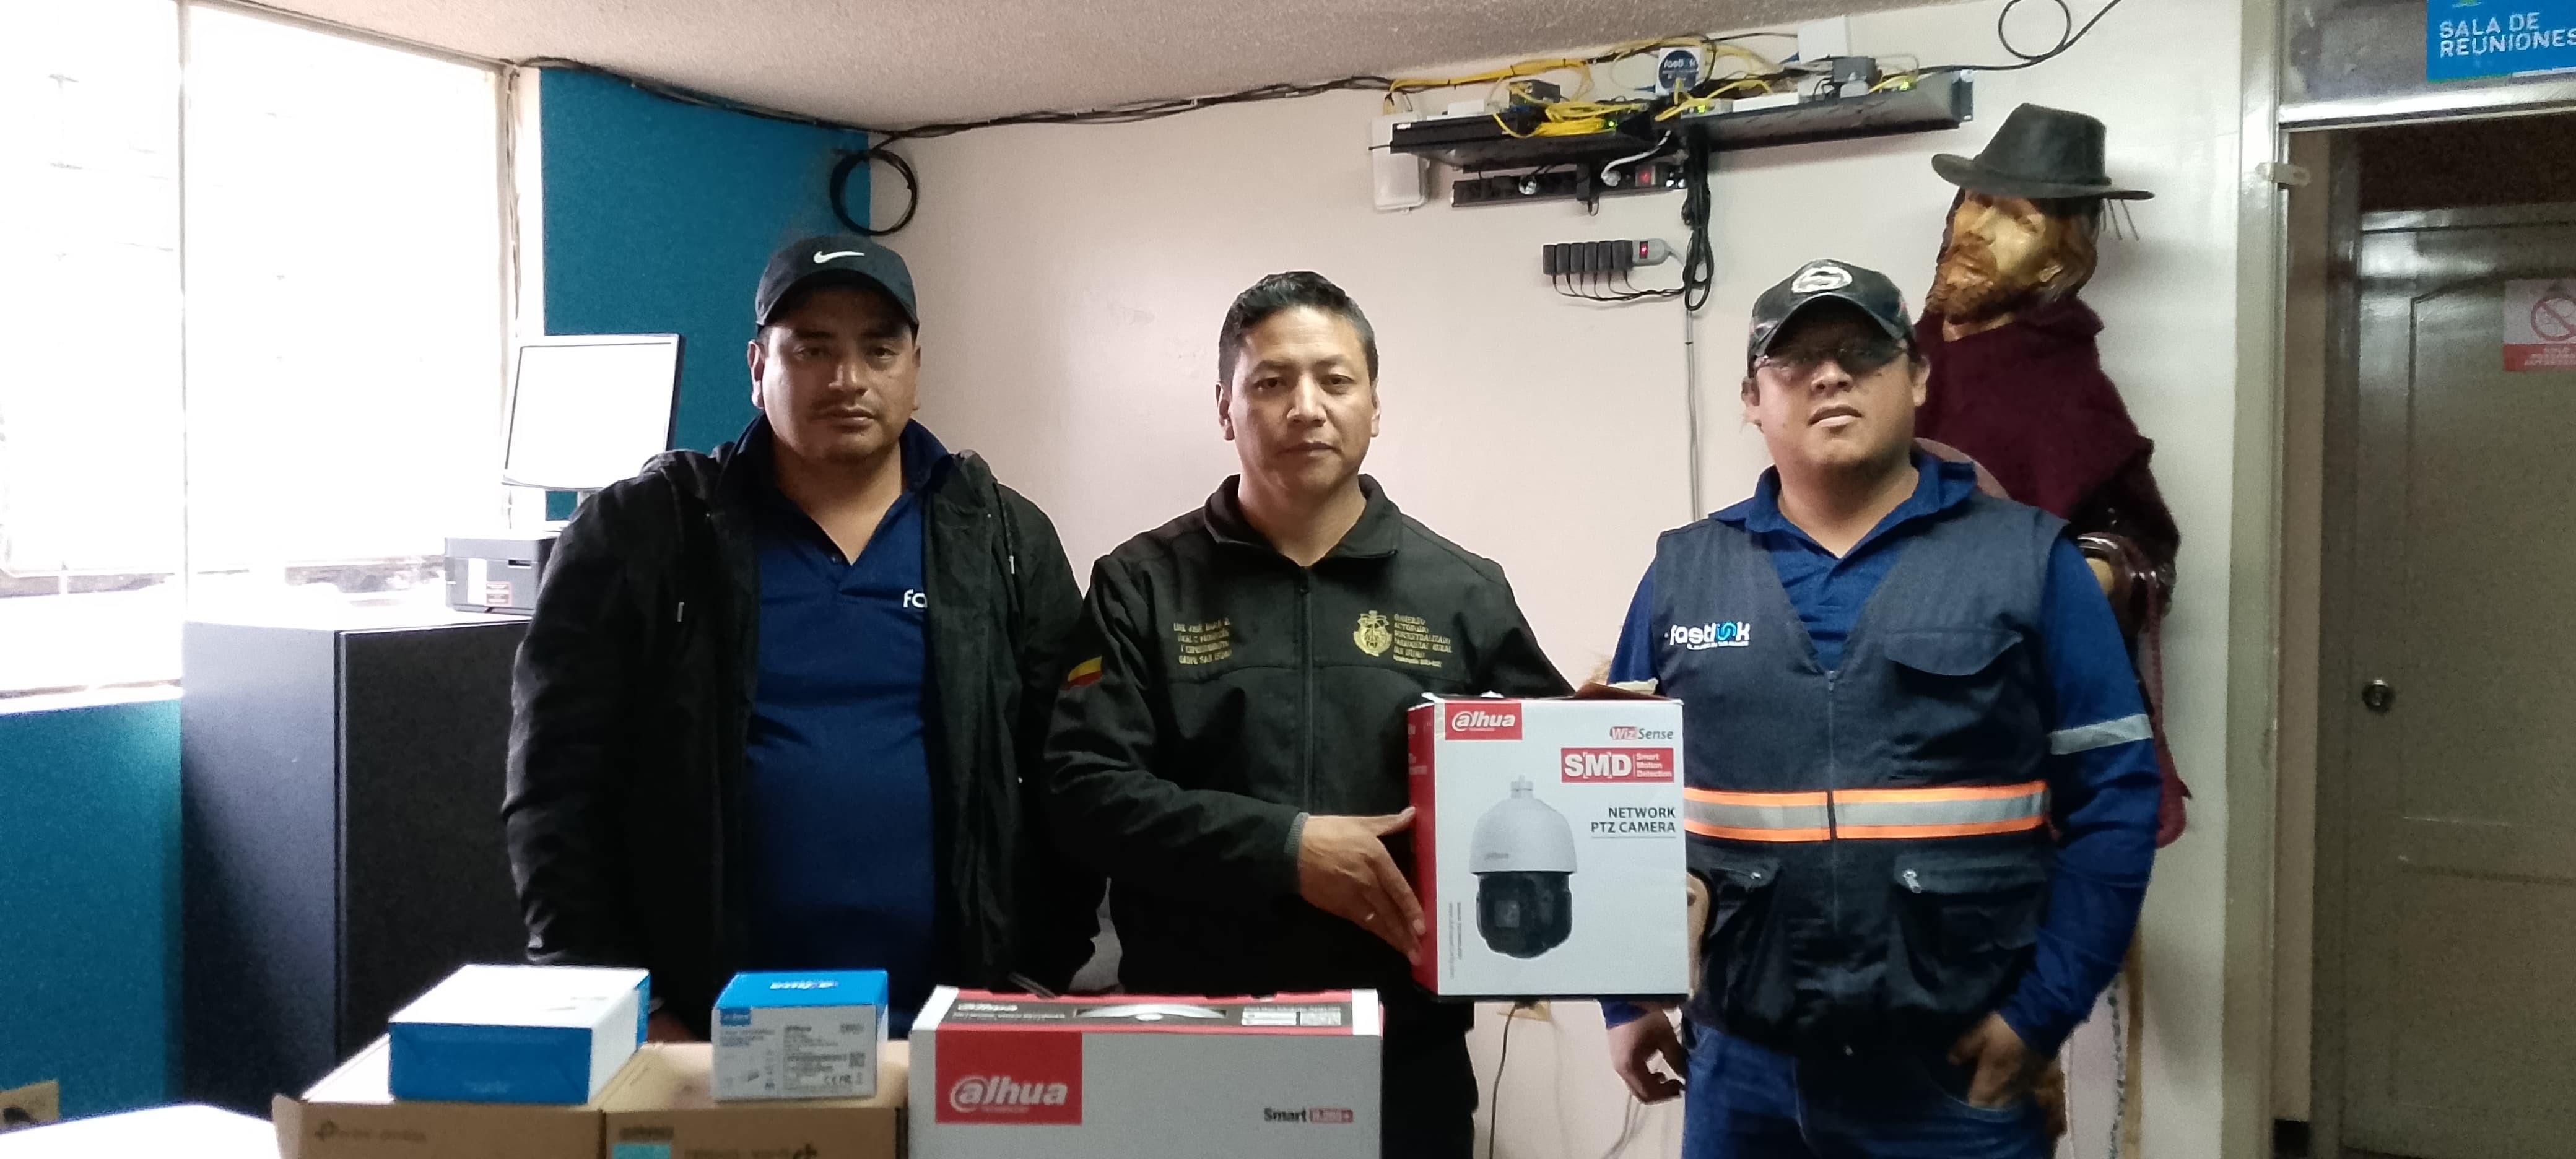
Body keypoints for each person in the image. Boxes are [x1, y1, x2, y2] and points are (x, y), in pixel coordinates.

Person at [1597, 259, 2159, 1157]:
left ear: (1919, 378)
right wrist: (1623, 1000)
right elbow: (1610, 801)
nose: (1831, 375)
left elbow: (2117, 800)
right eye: (1795, 360)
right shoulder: (1682, 575)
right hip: (1740, 1073)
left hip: (1952, 1076)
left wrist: (2041, 1013)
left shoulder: (2029, 563)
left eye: (1863, 352)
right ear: (1751, 399)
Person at [503, 234, 1099, 1039]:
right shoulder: (647, 534)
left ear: (916, 370)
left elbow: (1072, 775)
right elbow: (555, 795)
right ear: (758, 368)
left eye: (878, 350)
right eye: (811, 349)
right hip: (704, 1034)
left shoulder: (1002, 539)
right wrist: (632, 1010)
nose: (847, 377)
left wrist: (1034, 976)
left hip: (952, 1029)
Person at [1042, 271, 1570, 1157]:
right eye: (1271, 382)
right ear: (1225, 408)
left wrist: (1600, 746)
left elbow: (1550, 780)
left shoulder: (1462, 592)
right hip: (1194, 1043)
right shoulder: (1142, 584)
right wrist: (1286, 849)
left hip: (1401, 1055)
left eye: (1335, 380)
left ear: (1375, 404)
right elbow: (1083, 792)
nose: (1306, 408)